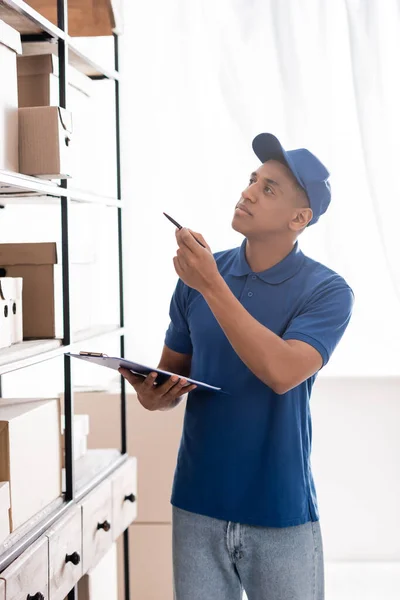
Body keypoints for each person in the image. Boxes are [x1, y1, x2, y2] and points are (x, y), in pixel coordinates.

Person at [120, 133, 354, 600]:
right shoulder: (199, 279)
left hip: (281, 512)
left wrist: (212, 285)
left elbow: (283, 372)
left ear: (300, 218)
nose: (248, 191)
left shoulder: (328, 291)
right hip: (196, 505)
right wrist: (150, 394)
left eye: (269, 188)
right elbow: (170, 376)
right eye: (252, 179)